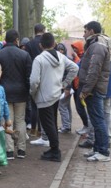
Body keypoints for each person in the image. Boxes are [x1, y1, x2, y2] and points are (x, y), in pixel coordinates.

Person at [30, 32, 78, 162]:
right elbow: (75, 68)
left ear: (40, 45)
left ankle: (55, 151)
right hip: (56, 94)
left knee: (48, 124)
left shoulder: (39, 59)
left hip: (44, 96)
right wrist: (64, 84)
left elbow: (34, 80)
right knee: (52, 123)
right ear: (54, 44)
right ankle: (53, 149)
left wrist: (32, 92)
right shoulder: (61, 57)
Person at [0, 29, 32, 159]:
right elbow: (28, 76)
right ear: (17, 40)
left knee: (7, 120)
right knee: (20, 120)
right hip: (21, 92)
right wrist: (28, 90)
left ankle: (9, 150)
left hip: (4, 92)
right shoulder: (25, 55)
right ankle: (21, 149)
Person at [79, 21, 111, 162]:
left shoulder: (97, 46)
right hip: (94, 89)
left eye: (85, 31)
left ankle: (103, 152)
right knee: (97, 120)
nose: (83, 34)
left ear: (91, 31)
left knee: (98, 121)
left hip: (94, 90)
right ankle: (98, 149)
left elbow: (94, 70)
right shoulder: (96, 45)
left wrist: (86, 89)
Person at [25, 23, 48, 145]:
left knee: (33, 105)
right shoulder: (46, 43)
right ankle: (41, 130)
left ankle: (33, 129)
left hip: (33, 75)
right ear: (43, 30)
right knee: (43, 105)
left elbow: (28, 61)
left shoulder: (29, 44)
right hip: (44, 77)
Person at [56, 43, 74, 134]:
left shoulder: (66, 60)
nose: (60, 51)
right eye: (58, 49)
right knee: (66, 106)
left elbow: (70, 75)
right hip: (65, 87)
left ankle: (66, 126)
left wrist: (67, 87)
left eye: (61, 49)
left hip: (66, 87)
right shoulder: (63, 59)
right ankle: (68, 125)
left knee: (62, 106)